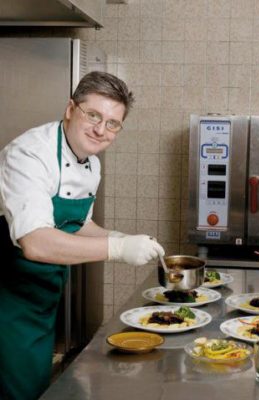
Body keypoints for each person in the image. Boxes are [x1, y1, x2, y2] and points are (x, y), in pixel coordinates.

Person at [0, 71, 165, 400]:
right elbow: (35, 241)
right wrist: (117, 248)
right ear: (70, 109)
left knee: (36, 388)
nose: (101, 130)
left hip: (42, 298)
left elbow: (76, 223)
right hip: (8, 301)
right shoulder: (30, 155)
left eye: (113, 123)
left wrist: (121, 236)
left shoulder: (91, 162)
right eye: (93, 115)